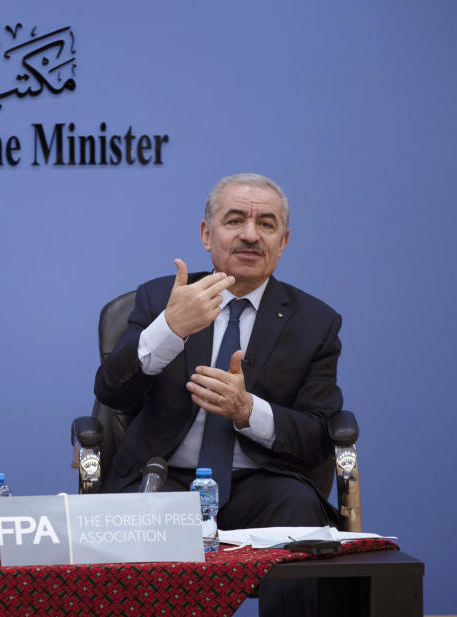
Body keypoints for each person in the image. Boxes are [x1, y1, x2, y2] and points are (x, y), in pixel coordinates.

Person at [94, 173, 343, 617]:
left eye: (266, 224)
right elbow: (112, 389)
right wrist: (170, 328)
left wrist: (249, 411)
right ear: (207, 235)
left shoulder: (315, 323)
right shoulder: (161, 298)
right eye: (235, 221)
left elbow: (319, 435)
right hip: (167, 477)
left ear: (283, 242)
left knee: (301, 511)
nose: (251, 234)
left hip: (260, 487)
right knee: (140, 524)